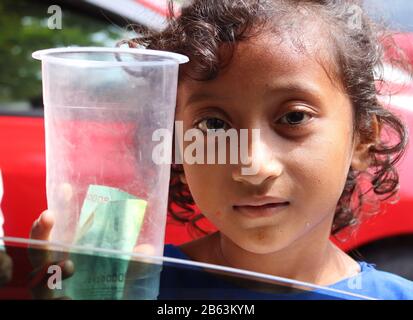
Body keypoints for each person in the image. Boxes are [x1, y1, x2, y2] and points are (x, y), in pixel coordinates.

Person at [31, 0, 413, 299]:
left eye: (294, 118)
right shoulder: (131, 284)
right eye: (214, 125)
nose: (252, 164)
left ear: (363, 138)